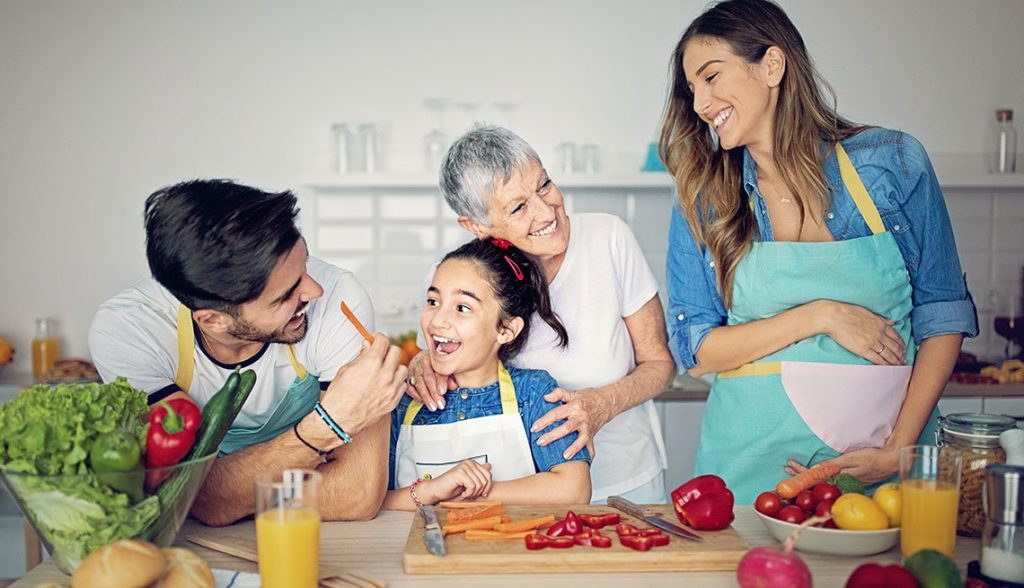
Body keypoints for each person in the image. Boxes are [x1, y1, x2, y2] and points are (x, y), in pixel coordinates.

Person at [659, 0, 978, 503]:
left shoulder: (891, 164)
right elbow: (697, 350)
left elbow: (942, 315)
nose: (700, 103)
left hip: (881, 465)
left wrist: (898, 450)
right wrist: (821, 315)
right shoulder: (703, 194)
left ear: (772, 65)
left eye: (712, 77)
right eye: (692, 89)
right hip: (749, 467)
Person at [88, 179, 408, 525]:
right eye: (286, 295)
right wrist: (329, 424)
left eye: (305, 265)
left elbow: (355, 494)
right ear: (213, 320)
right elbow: (201, 498)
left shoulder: (338, 297)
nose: (313, 290)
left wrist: (232, 492)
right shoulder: (130, 331)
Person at [405, 126, 676, 504]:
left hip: (626, 483)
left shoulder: (609, 238)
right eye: (518, 207)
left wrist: (603, 403)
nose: (548, 211)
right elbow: (441, 361)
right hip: (518, 495)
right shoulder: (454, 274)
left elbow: (660, 363)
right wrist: (424, 364)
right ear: (476, 225)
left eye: (544, 185)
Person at [383, 238, 591, 509]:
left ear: (505, 329)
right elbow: (368, 501)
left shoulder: (533, 392)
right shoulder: (403, 398)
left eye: (462, 308)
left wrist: (468, 492)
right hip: (416, 552)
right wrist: (432, 490)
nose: (436, 320)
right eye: (433, 301)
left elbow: (574, 489)